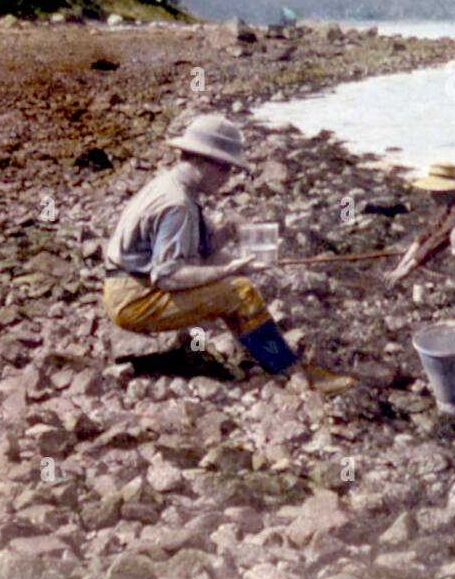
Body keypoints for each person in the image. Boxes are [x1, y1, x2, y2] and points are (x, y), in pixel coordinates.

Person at [102, 113, 345, 390]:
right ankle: (291, 372)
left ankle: (273, 360)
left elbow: (199, 250)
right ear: (203, 161)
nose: (228, 178)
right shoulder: (177, 204)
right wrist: (227, 270)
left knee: (232, 289)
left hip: (128, 285)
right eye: (225, 169)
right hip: (133, 299)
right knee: (239, 292)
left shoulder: (174, 187)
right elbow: (167, 276)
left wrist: (229, 230)